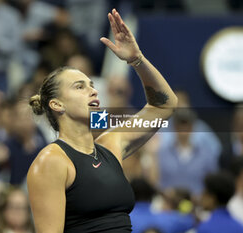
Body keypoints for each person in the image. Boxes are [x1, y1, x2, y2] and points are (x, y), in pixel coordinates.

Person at [27, 8, 178, 233]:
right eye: (79, 87)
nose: (93, 92)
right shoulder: (51, 161)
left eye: (92, 85)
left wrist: (137, 60)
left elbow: (164, 105)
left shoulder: (111, 145)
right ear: (57, 104)